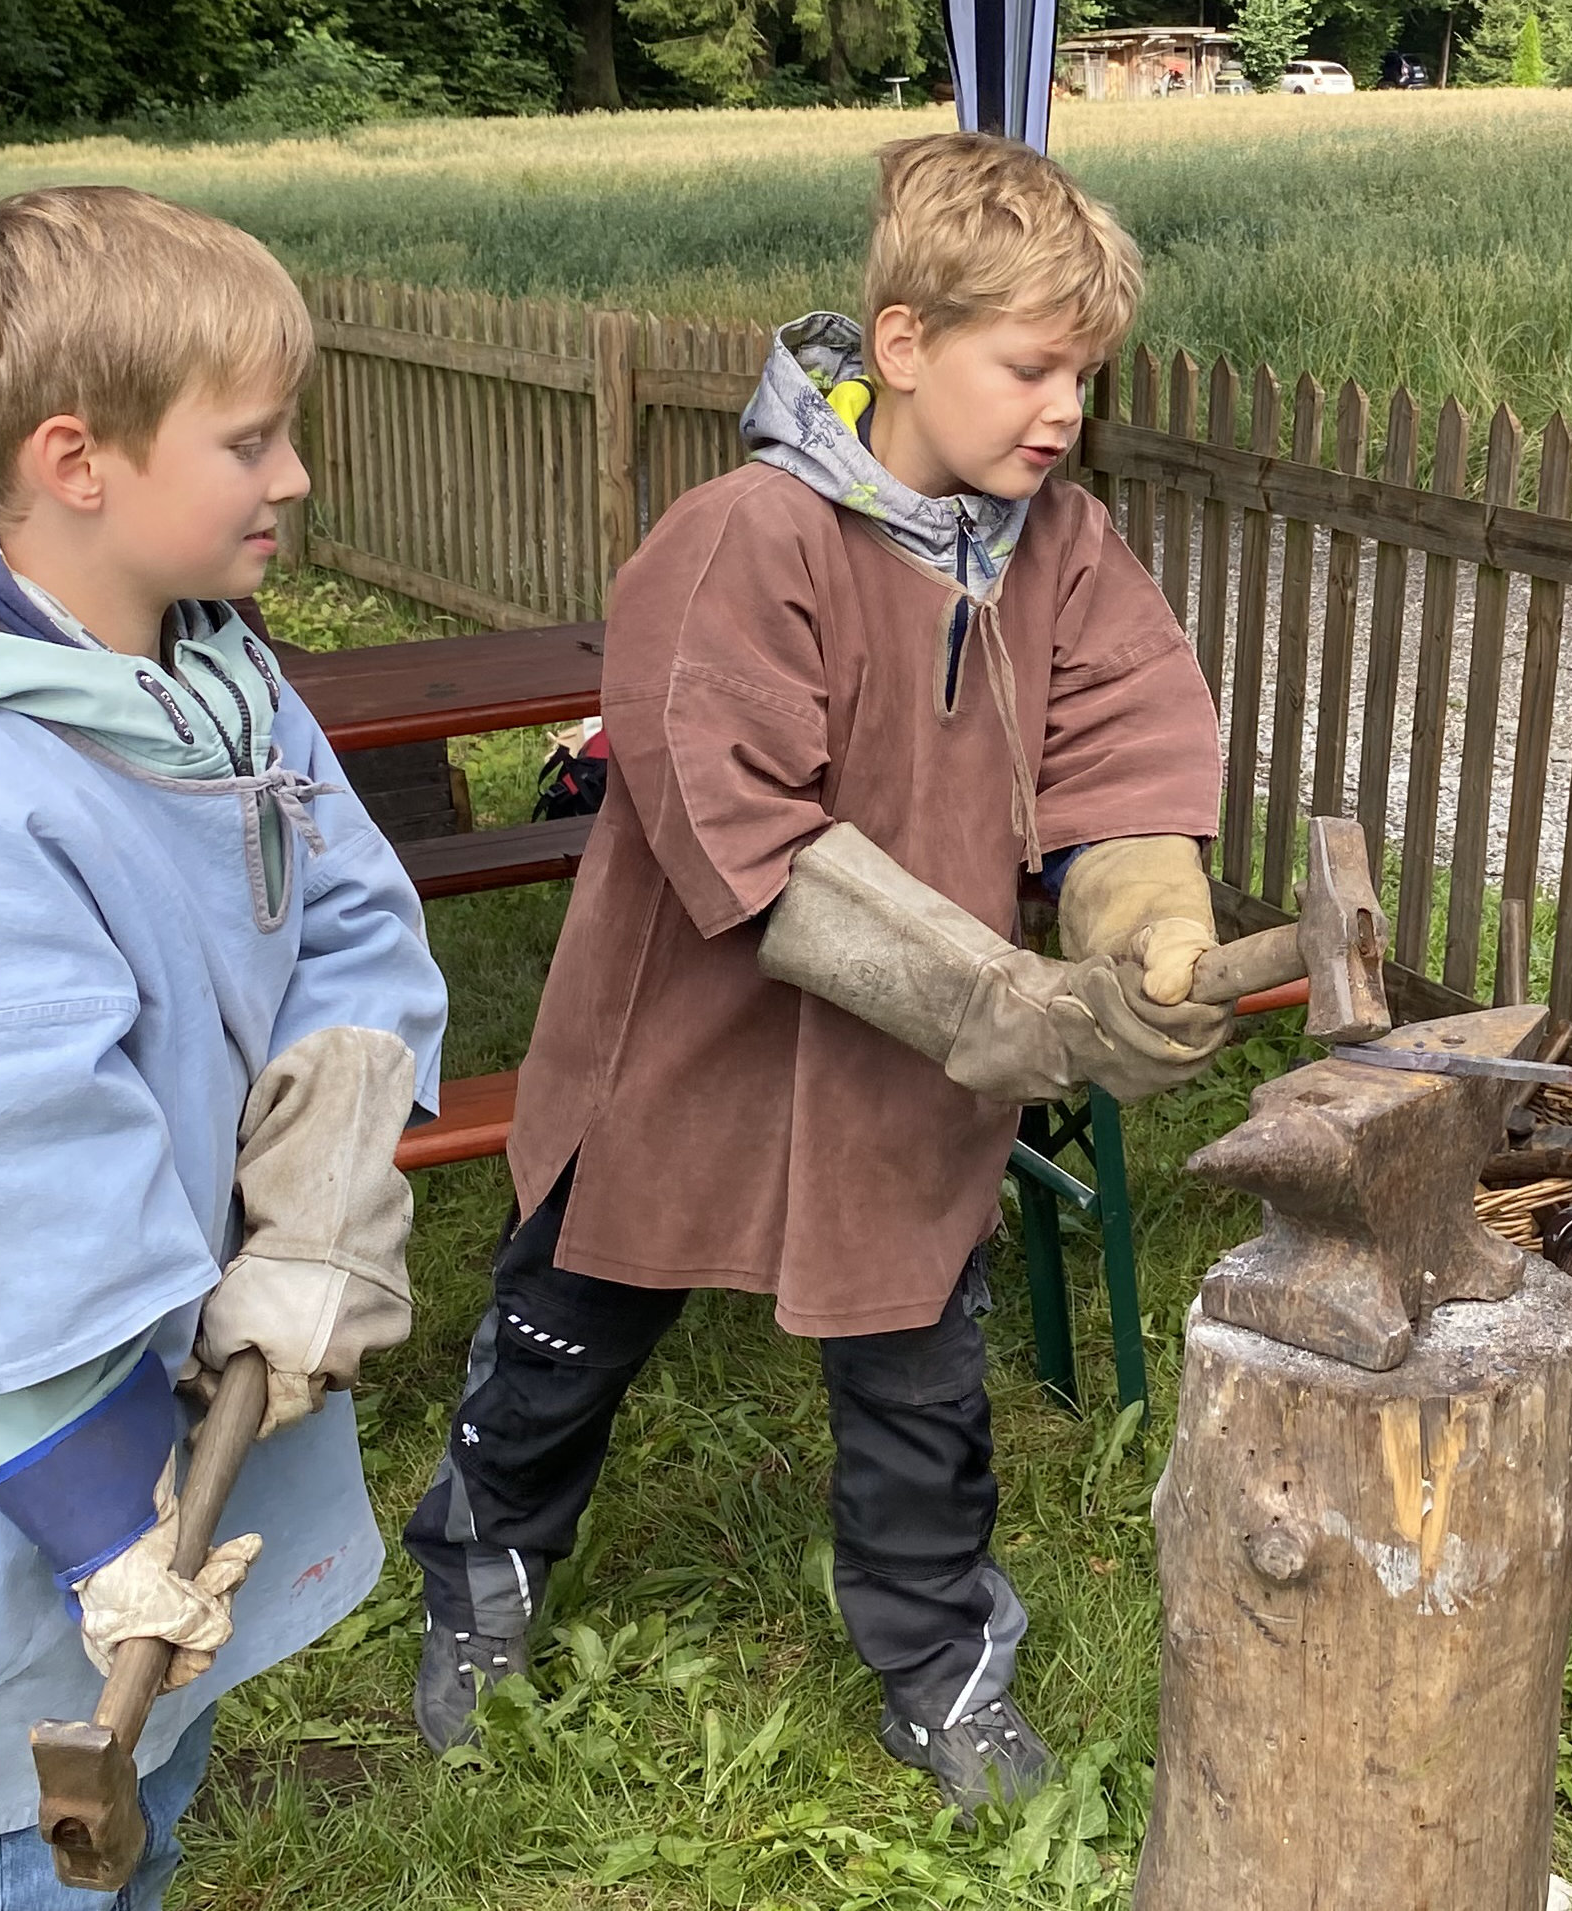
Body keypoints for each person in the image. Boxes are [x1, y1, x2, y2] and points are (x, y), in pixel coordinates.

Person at [403, 131, 1229, 1812]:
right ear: (905, 340)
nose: (1061, 404)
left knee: (918, 1371)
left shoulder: (1057, 549)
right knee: (565, 1328)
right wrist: (997, 1002)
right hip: (678, 1043)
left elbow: (1123, 764)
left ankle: (934, 1663)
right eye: (1027, 364)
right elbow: (741, 832)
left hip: (896, 1074)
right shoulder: (740, 537)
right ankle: (479, 1576)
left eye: (1083, 370)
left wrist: (1147, 938)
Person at [0, 185, 447, 1909]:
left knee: (138, 1821)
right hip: (19, 1477)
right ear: (77, 460)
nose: (293, 478)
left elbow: (351, 917)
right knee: (19, 1845)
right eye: (252, 439)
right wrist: (122, 1541)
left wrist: (325, 1191)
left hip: (180, 1411)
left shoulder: (217, 681)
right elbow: (22, 1204)